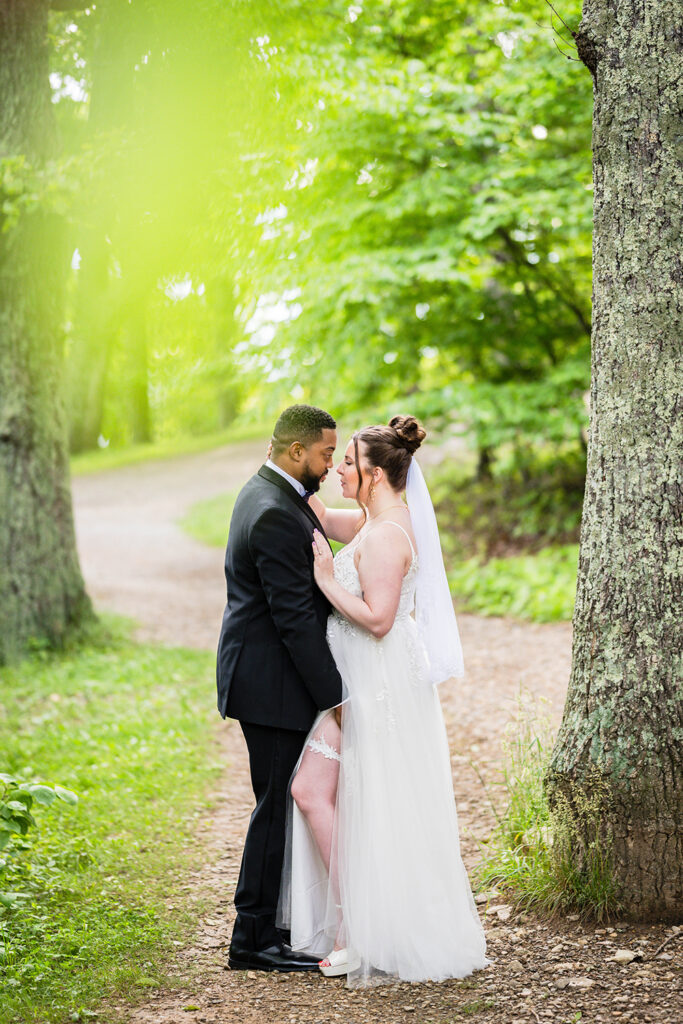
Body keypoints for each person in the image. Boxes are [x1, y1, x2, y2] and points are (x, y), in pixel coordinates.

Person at [277, 415, 489, 986]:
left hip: (377, 682)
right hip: (358, 680)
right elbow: (323, 516)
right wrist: (284, 470)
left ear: (373, 475)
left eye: (346, 462)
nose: (337, 469)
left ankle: (356, 933)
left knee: (350, 796)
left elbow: (379, 619)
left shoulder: (391, 535)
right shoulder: (375, 520)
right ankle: (356, 927)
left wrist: (326, 581)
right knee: (340, 796)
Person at [216, 404, 344, 972]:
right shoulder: (271, 508)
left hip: (269, 677)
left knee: (276, 804)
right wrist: (334, 695)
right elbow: (292, 616)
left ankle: (272, 925)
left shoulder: (273, 490)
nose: (330, 462)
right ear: (297, 452)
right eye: (324, 453)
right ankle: (252, 940)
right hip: (269, 683)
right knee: (273, 808)